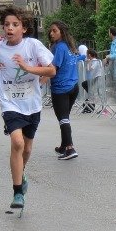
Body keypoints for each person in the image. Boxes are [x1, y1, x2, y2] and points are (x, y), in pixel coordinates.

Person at [0, 6, 55, 211]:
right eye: (7, 24)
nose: (10, 28)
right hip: (9, 101)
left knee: (27, 148)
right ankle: (17, 192)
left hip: (31, 102)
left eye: (15, 25)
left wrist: (27, 68)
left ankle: (21, 172)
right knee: (17, 143)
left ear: (23, 28)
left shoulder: (33, 45)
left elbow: (51, 70)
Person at [48, 20, 81, 159]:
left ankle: (70, 148)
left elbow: (53, 69)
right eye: (51, 31)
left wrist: (40, 79)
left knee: (63, 118)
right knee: (64, 118)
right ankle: (63, 145)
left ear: (62, 31)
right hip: (73, 86)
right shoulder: (70, 47)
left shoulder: (60, 47)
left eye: (54, 30)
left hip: (61, 88)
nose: (51, 33)